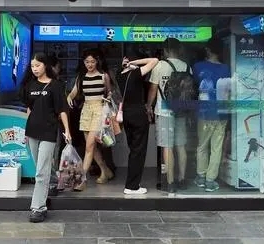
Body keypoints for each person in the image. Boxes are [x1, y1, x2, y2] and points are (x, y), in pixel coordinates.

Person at [20, 52, 71, 223]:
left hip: (49, 131)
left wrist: (67, 130)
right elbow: (29, 109)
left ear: (45, 66)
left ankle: (38, 208)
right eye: (32, 66)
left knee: (41, 172)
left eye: (38, 65)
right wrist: (26, 131)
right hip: (33, 130)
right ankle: (53, 182)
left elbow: (62, 109)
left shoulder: (55, 85)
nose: (34, 69)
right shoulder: (29, 85)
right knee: (40, 168)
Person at [147, 38, 190, 193]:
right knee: (181, 146)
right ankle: (182, 179)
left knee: (167, 146)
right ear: (178, 50)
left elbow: (153, 90)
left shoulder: (159, 66)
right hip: (181, 110)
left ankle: (170, 183)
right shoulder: (186, 66)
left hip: (164, 110)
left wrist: (148, 106)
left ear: (165, 50)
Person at [66, 50, 113, 191]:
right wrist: (69, 97)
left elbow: (110, 92)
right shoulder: (81, 77)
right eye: (87, 62)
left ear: (97, 62)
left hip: (99, 110)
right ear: (84, 63)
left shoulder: (104, 76)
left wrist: (108, 98)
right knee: (91, 147)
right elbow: (73, 92)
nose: (90, 64)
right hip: (86, 111)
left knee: (89, 147)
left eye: (92, 61)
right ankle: (105, 171)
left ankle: (82, 179)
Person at [116, 51, 158, 195]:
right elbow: (154, 60)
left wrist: (128, 64)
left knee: (133, 150)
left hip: (126, 114)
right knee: (138, 151)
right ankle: (132, 186)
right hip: (138, 114)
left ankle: (133, 183)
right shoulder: (135, 73)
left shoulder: (119, 74)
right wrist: (135, 63)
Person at [193, 37, 231, 191]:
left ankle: (201, 177)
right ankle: (210, 180)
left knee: (202, 146)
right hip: (221, 113)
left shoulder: (198, 66)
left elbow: (194, 86)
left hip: (204, 113)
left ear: (207, 50)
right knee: (217, 147)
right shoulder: (226, 68)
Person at [47, 55, 64, 197]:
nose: (59, 69)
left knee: (54, 152)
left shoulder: (56, 82)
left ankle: (53, 182)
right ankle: (52, 182)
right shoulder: (54, 83)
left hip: (53, 122)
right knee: (53, 152)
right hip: (50, 123)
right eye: (58, 67)